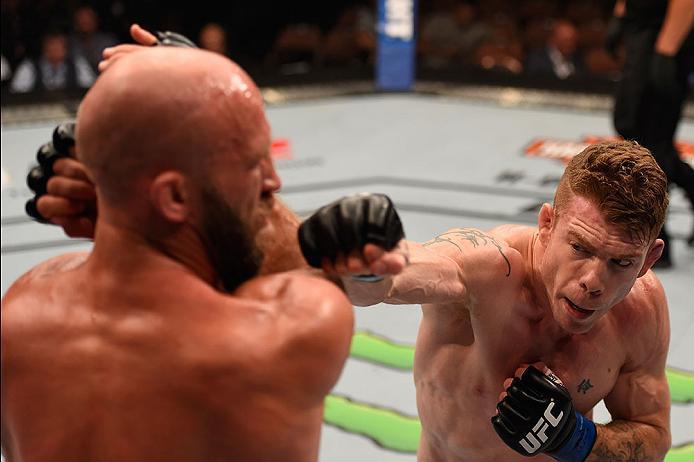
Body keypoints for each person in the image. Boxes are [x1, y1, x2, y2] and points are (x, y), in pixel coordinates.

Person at [1, 45, 372, 461]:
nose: (273, 182)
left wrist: (119, 202)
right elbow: (299, 254)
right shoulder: (289, 329)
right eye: (253, 165)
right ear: (174, 196)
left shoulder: (19, 311)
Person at [302, 141, 671, 461]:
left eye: (620, 262)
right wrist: (367, 265)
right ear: (547, 224)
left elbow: (653, 439)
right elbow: (398, 280)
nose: (593, 282)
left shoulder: (640, 311)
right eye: (579, 247)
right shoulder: (489, 269)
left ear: (648, 260)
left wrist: (573, 439)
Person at [609, 0, 694, 266]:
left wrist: (667, 50)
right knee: (631, 125)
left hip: (664, 36)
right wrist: (621, 14)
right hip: (641, 32)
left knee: (653, 140)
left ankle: (656, 236)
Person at [10, 30, 95, 93]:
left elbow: (92, 90)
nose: (55, 49)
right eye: (51, 45)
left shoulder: (78, 64)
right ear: (44, 49)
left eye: (59, 46)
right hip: (39, 111)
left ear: (66, 49)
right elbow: (16, 93)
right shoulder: (29, 67)